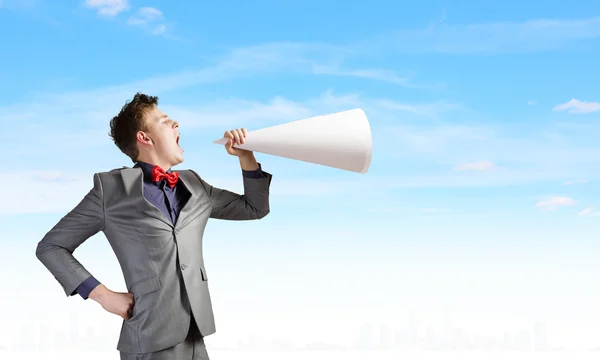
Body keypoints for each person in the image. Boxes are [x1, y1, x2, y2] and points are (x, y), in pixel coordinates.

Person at [35, 93, 272, 360]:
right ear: (144, 138)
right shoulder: (111, 190)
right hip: (148, 339)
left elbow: (255, 208)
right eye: (164, 121)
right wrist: (103, 296)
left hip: (196, 335)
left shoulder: (195, 185)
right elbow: (51, 246)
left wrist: (246, 158)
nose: (176, 124)